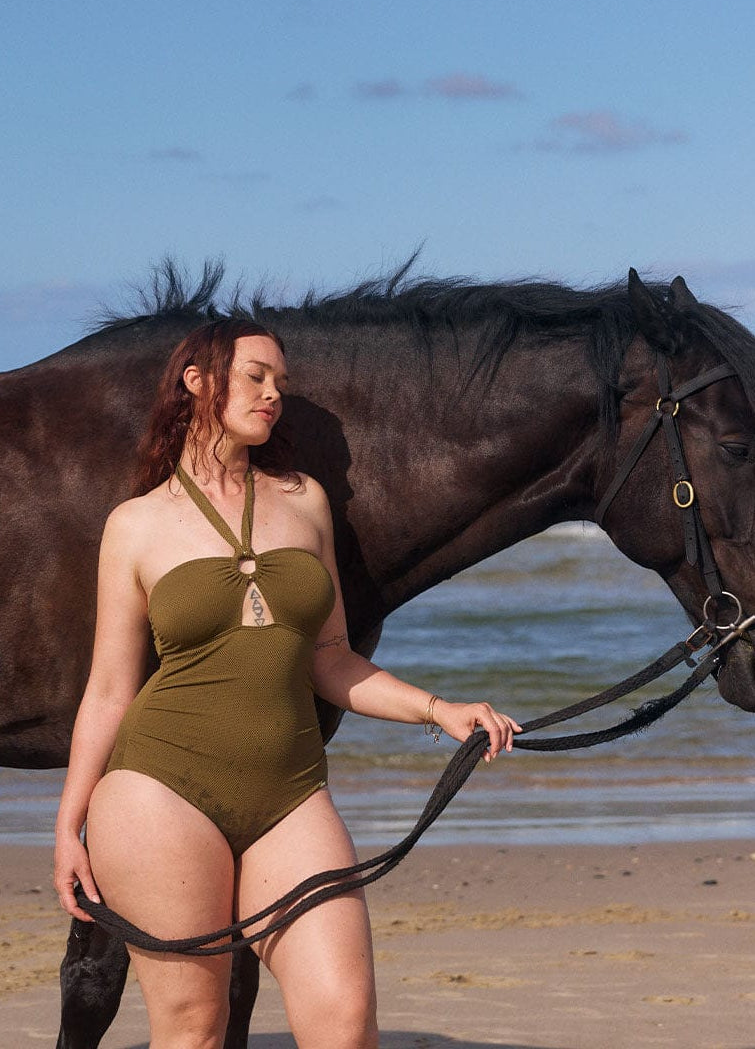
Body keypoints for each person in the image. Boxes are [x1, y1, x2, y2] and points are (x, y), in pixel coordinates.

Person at [54, 317, 521, 1049]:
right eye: (256, 377)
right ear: (197, 381)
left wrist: (441, 711)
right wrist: (69, 827)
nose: (274, 395)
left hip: (291, 792)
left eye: (281, 383)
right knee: (194, 1029)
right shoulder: (136, 525)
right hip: (157, 792)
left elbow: (331, 660)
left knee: (344, 1022)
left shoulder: (302, 500)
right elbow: (111, 689)